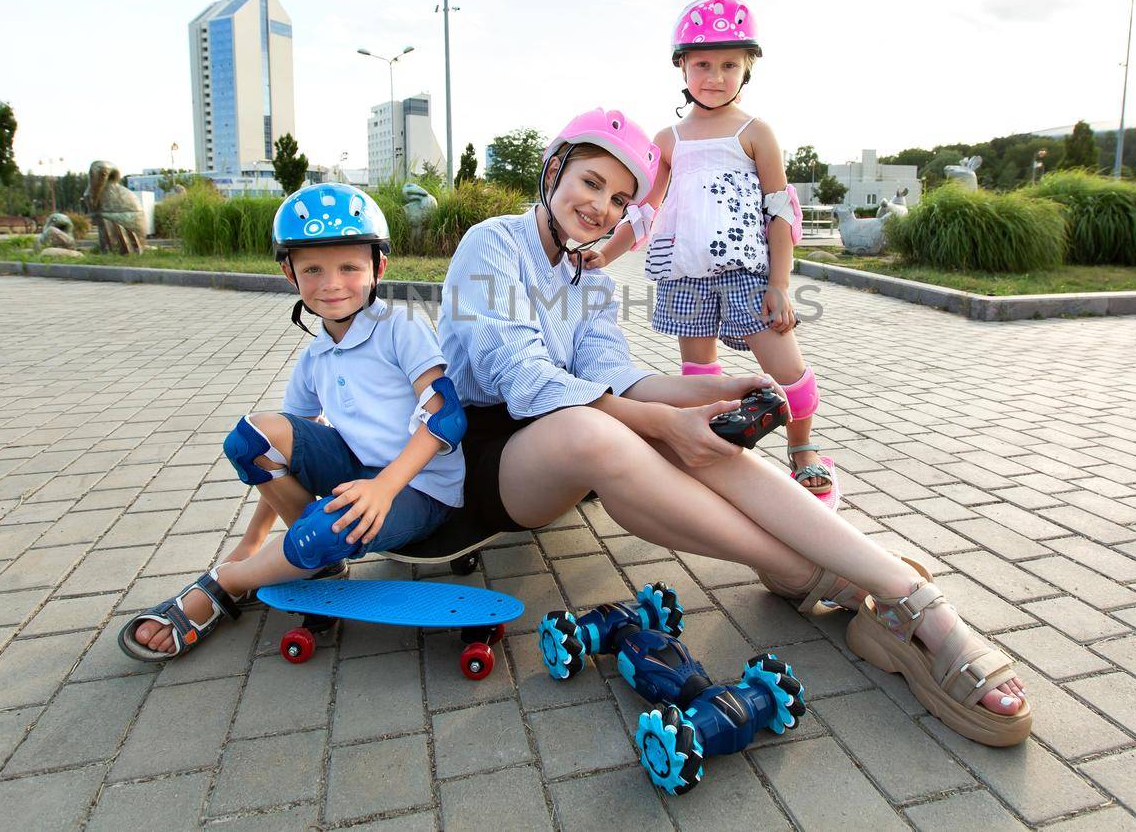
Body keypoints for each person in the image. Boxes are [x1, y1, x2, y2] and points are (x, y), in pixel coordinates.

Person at [440, 108, 1030, 746]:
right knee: (606, 433)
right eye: (589, 183)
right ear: (554, 169)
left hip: (571, 437)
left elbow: (619, 378)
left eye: (619, 199)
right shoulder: (492, 244)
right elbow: (527, 380)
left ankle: (902, 591)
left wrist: (715, 391)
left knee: (690, 437)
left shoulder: (591, 278)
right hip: (487, 459)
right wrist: (663, 421)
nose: (602, 209)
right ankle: (812, 574)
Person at [118, 183, 468, 660]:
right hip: (357, 475)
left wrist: (382, 488)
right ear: (289, 273)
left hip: (419, 489)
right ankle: (300, 553)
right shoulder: (315, 355)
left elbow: (445, 417)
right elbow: (277, 452)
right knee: (251, 437)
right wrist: (252, 538)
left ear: (378, 267)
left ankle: (226, 583)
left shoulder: (400, 327)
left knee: (323, 529)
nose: (331, 283)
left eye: (349, 267)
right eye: (312, 269)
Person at [588, 0, 835, 505]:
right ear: (682, 66)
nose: (715, 76)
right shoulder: (669, 138)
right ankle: (722, 452)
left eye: (729, 65)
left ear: (747, 69)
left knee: (787, 369)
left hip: (746, 274)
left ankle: (803, 448)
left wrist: (780, 284)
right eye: (703, 64)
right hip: (686, 275)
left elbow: (780, 213)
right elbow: (646, 211)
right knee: (702, 377)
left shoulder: (755, 132)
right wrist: (605, 255)